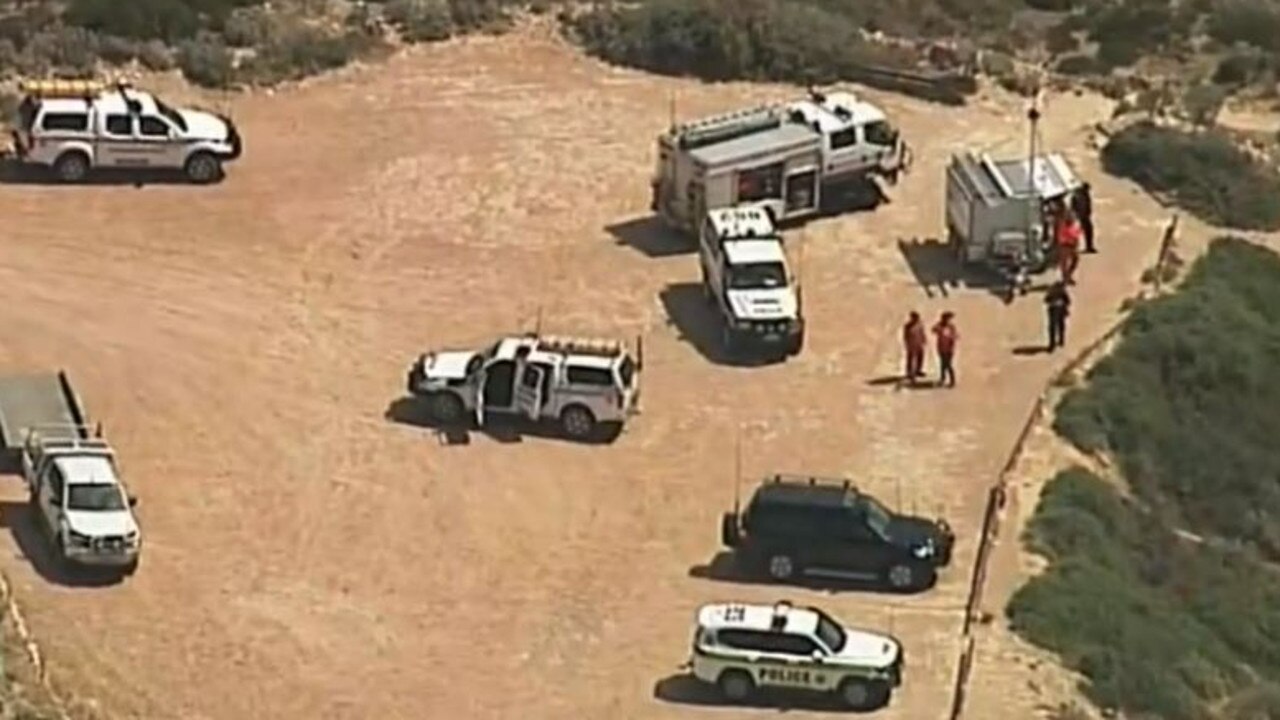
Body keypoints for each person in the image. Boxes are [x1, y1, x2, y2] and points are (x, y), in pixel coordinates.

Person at [1056, 208, 1082, 285]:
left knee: (1075, 260)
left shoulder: (1075, 225)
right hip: (1065, 246)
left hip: (1073, 246)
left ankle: (1068, 276)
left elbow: (1078, 234)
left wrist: (1076, 242)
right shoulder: (1063, 226)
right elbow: (1061, 237)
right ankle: (1065, 278)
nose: (1071, 218)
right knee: (1064, 264)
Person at [932, 312, 958, 388]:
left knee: (948, 365)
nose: (947, 320)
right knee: (942, 364)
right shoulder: (940, 326)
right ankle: (943, 378)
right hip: (941, 348)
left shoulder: (951, 327)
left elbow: (955, 337)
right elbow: (933, 330)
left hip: (949, 349)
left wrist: (952, 342)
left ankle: (952, 380)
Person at [1044, 281, 1071, 351]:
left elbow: (1046, 300)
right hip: (1059, 309)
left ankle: (1053, 344)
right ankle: (1060, 341)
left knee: (1053, 327)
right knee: (1060, 326)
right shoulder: (1062, 291)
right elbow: (1068, 301)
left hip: (1053, 309)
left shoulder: (1051, 291)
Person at [902, 311, 927, 384]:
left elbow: (922, 332)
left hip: (919, 344)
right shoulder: (908, 326)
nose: (916, 319)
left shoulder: (920, 324)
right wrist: (907, 344)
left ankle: (918, 370)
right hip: (911, 345)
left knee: (920, 357)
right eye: (915, 318)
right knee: (911, 359)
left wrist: (924, 340)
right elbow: (905, 336)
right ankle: (910, 373)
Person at [1071, 183, 1095, 253]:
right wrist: (1077, 214)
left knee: (1087, 231)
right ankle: (1073, 246)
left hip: (1084, 216)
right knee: (1084, 231)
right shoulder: (1079, 195)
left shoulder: (1083, 194)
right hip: (1082, 216)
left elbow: (1088, 205)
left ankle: (1088, 246)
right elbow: (1074, 205)